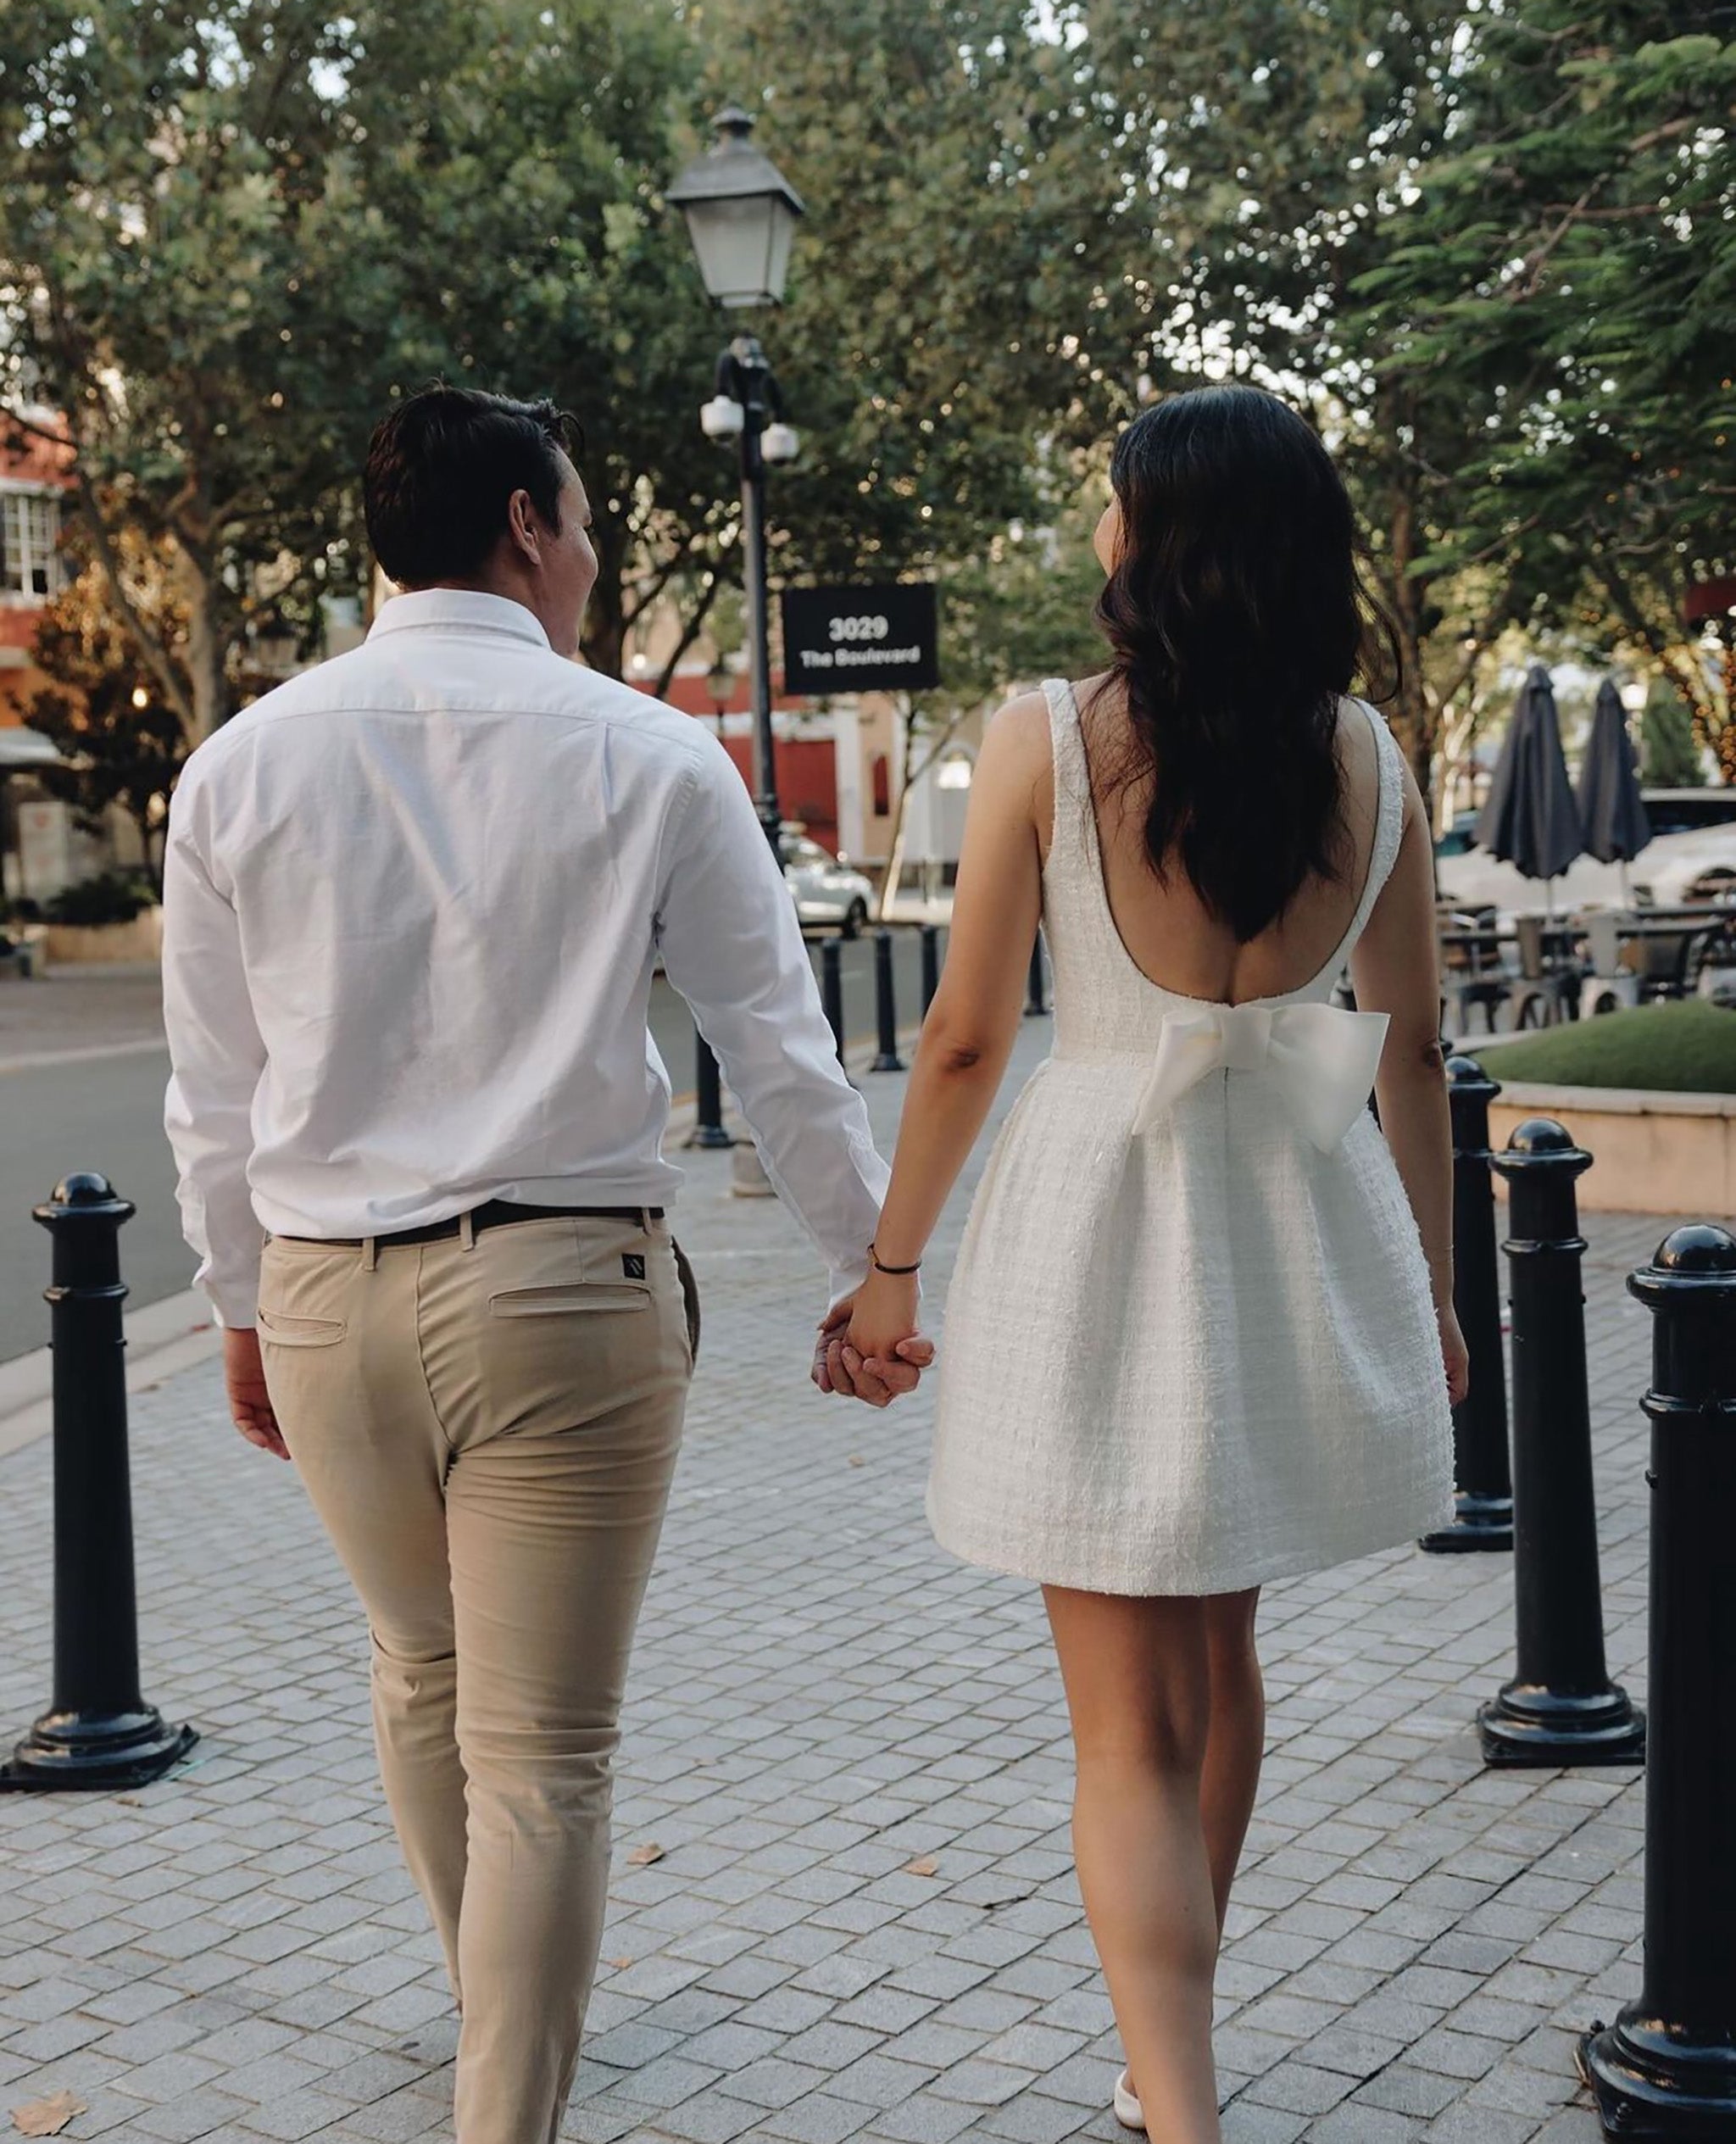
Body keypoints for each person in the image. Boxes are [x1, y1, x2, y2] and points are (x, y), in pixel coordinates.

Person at [161, 385, 927, 2144]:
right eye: (579, 525)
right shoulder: (644, 750)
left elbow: (211, 1093)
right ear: (525, 523)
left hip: (324, 1290)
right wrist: (872, 1268)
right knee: (546, 1761)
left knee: (425, 1679)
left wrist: (230, 1307)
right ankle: (505, 2100)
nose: (586, 559)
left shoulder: (243, 763)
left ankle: (493, 2008)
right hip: (565, 1293)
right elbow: (777, 1045)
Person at [829, 385, 1460, 2142]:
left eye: (1114, 496)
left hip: (1101, 1226)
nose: (1100, 522)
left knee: (1124, 1729)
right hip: (1283, 1212)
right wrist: (1439, 1290)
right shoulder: (1371, 753)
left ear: (1157, 536)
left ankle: (1175, 2101)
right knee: (1217, 1671)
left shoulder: (1046, 733)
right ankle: (1165, 2039)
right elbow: (1412, 1053)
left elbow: (959, 1040)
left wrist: (892, 1266)